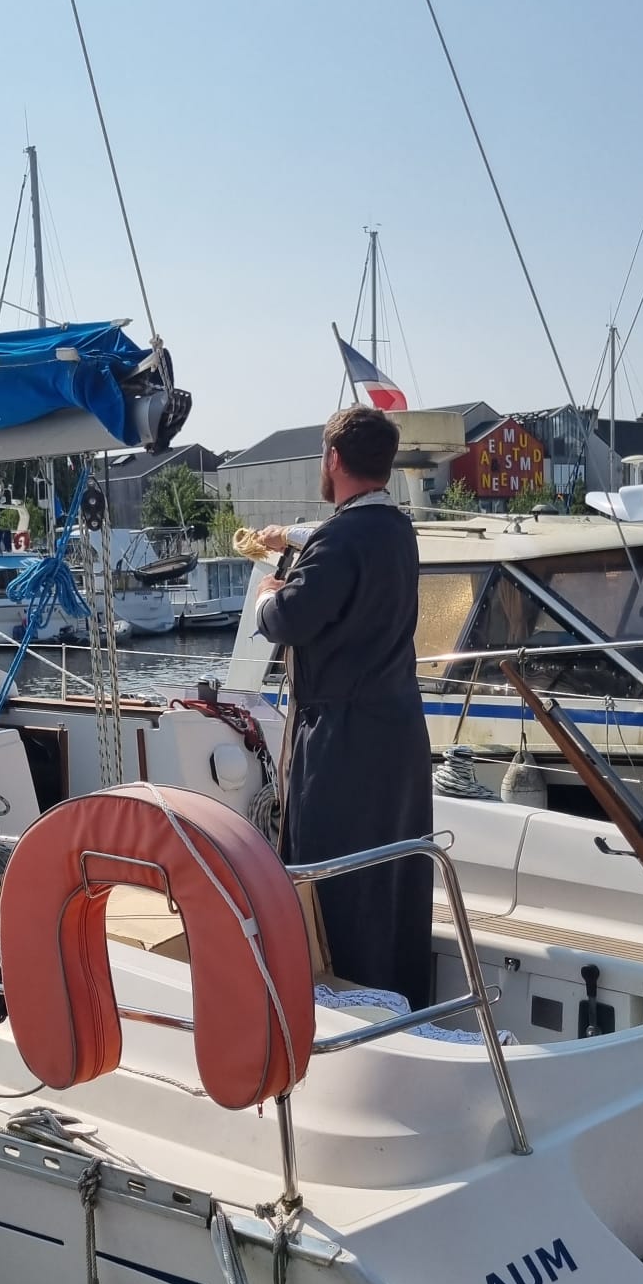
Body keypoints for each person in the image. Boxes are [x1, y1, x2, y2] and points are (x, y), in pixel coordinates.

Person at [254, 405, 433, 1009]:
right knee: (393, 874)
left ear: (333, 460)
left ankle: (345, 1004)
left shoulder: (343, 538)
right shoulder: (397, 530)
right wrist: (298, 537)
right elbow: (344, 541)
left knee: (333, 873)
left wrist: (267, 596)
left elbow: (289, 620)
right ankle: (401, 995)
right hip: (398, 734)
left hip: (342, 740)